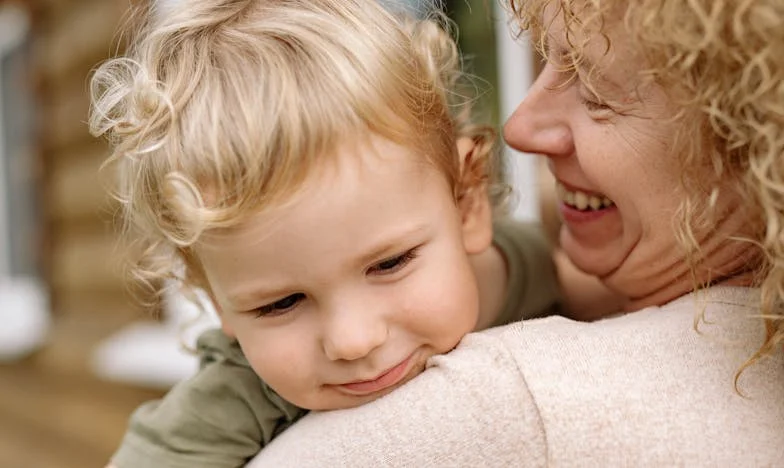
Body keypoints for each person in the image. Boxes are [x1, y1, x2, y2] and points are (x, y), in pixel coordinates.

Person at [242, 0, 784, 465]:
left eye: (597, 90)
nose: (518, 128)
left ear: (757, 140)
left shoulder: (508, 404)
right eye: (548, 59)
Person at [88, 1, 602, 467]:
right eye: (281, 303)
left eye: (389, 264)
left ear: (467, 203)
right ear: (213, 300)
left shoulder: (533, 264)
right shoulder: (238, 394)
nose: (353, 341)